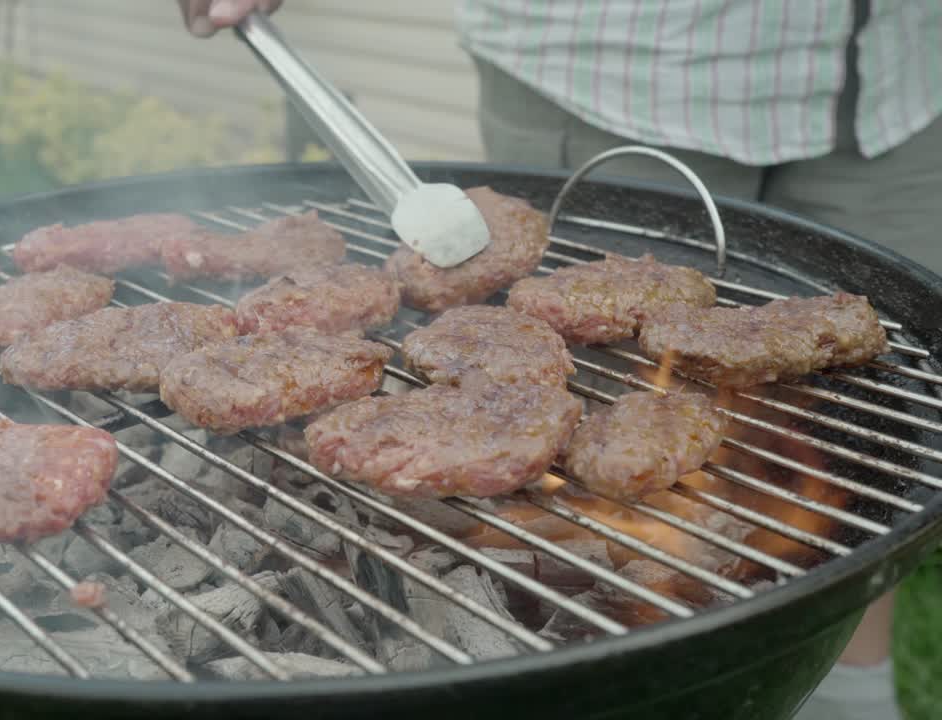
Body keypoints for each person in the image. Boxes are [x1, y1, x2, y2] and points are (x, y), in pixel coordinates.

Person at [178, 2, 927, 718]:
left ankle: (849, 687)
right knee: (582, 454)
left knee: (853, 445)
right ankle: (577, 647)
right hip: (613, 72)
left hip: (891, 88)